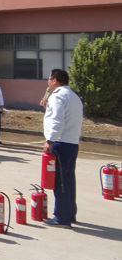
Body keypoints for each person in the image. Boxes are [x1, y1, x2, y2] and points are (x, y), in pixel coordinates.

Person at [43, 69, 83, 229]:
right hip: (72, 143)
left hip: (60, 142)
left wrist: (50, 140)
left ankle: (62, 217)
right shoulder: (74, 96)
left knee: (60, 181)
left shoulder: (58, 96)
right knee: (69, 179)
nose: (48, 82)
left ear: (55, 80)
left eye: (49, 79)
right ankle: (70, 213)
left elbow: (57, 120)